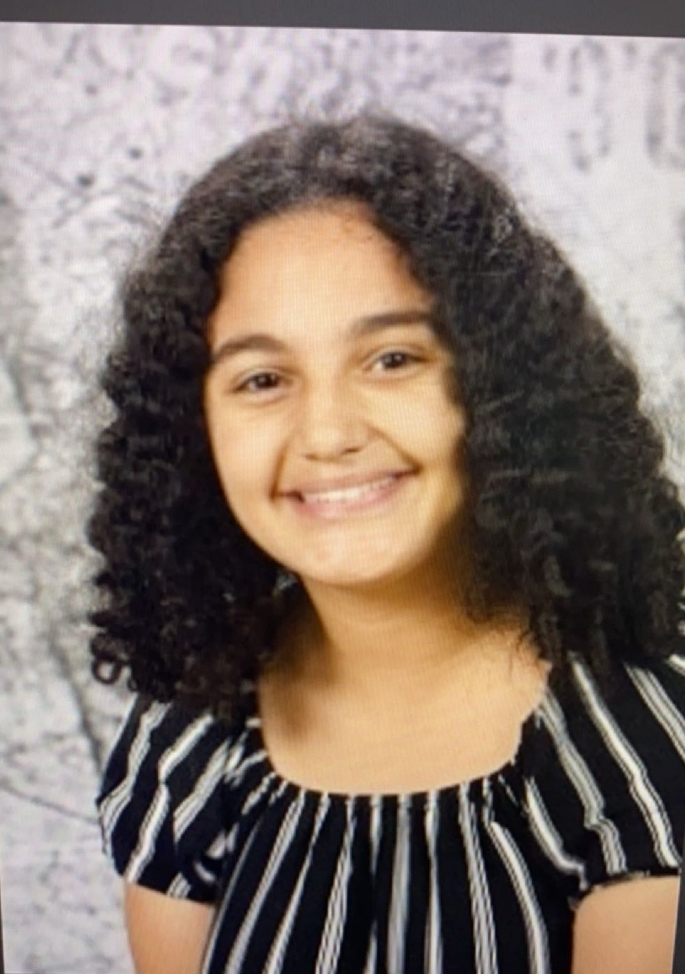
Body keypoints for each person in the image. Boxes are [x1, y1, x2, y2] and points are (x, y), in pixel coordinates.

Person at [90, 115, 685, 974]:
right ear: (193, 431)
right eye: (262, 379)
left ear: (496, 383)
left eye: (392, 359)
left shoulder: (637, 751)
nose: (328, 433)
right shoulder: (188, 733)